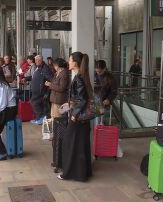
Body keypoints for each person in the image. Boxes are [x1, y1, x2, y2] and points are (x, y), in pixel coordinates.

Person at [57, 51, 93, 182]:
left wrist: (74, 115)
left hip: (77, 118)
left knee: (69, 144)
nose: (68, 62)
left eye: (70, 60)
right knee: (80, 145)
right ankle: (82, 173)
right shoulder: (81, 76)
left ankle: (69, 173)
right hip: (82, 118)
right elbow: (80, 98)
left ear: (76, 63)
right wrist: (69, 104)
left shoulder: (79, 78)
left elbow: (82, 100)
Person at [26, 55, 53, 124]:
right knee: (36, 104)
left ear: (39, 60)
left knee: (34, 103)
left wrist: (47, 84)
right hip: (36, 90)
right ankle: (40, 118)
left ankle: (40, 118)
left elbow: (50, 78)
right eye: (35, 60)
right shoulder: (38, 67)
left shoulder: (44, 68)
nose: (35, 62)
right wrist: (26, 79)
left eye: (36, 60)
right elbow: (34, 76)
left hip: (41, 90)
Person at [94, 60, 117, 125]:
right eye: (97, 71)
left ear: (104, 69)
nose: (98, 72)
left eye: (100, 71)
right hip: (93, 102)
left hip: (103, 103)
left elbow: (114, 91)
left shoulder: (110, 78)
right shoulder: (93, 75)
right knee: (94, 122)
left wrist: (108, 99)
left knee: (99, 122)